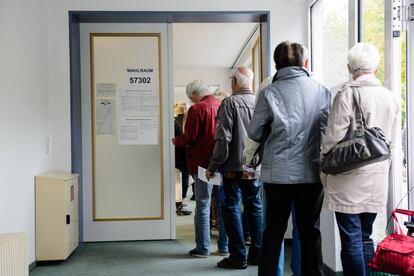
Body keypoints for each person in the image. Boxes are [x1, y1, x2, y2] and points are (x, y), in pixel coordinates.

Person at [249, 41, 331, 276]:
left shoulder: (269, 92)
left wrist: (251, 157)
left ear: (276, 65)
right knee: (310, 231)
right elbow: (328, 134)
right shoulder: (321, 90)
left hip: (277, 175)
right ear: (305, 63)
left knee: (273, 231)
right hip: (311, 172)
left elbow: (254, 133)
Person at [320, 42, 399, 276]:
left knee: (351, 238)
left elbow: (332, 137)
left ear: (349, 67)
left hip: (348, 177)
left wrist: (323, 166)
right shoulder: (390, 96)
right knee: (365, 236)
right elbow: (392, 143)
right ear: (375, 67)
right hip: (377, 177)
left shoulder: (347, 93)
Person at [206, 66, 263, 270]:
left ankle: (238, 256)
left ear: (234, 82)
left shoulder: (229, 103)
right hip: (254, 166)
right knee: (255, 206)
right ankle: (257, 253)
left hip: (232, 166)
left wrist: (213, 165)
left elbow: (223, 139)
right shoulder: (259, 102)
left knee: (230, 206)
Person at [172, 80, 228, 257]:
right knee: (222, 206)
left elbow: (190, 137)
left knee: (203, 205)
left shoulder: (197, 109)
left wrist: (176, 141)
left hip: (202, 165)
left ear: (196, 93)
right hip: (221, 163)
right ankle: (224, 247)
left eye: (191, 97)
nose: (192, 100)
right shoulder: (221, 104)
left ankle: (203, 248)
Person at [174, 102, 191, 216]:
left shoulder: (175, 121)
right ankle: (179, 204)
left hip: (176, 155)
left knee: (177, 181)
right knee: (181, 181)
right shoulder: (179, 123)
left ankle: (179, 203)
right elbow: (183, 138)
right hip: (181, 156)